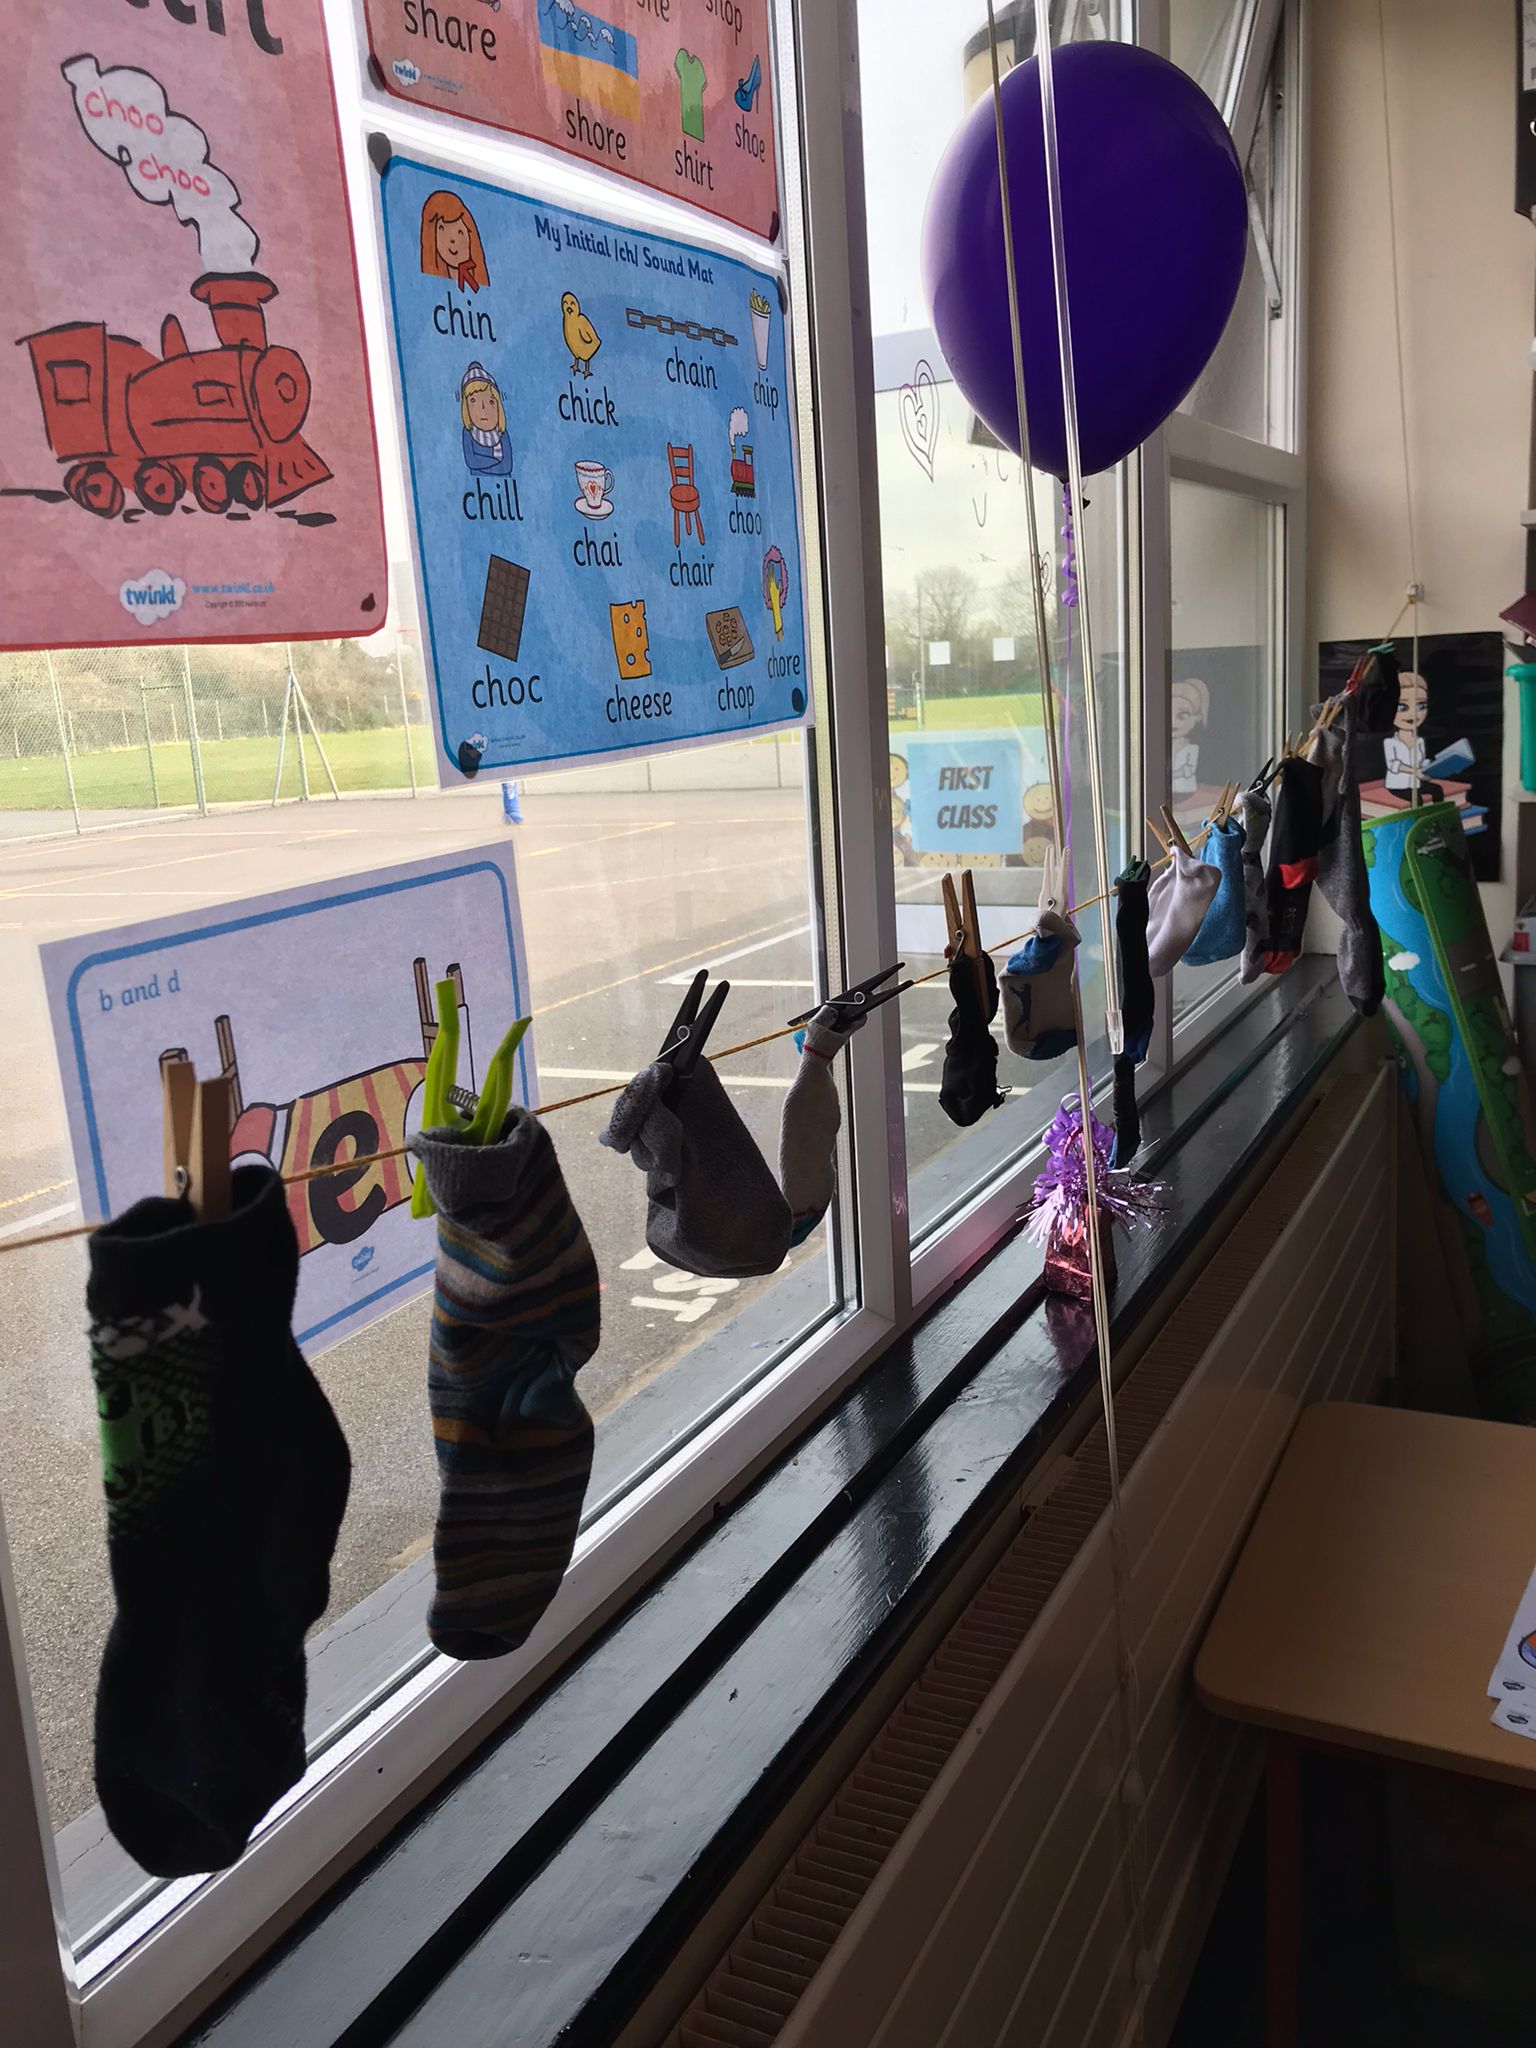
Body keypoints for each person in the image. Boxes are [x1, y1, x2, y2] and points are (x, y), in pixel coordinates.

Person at [1383, 671, 1438, 803]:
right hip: (1398, 785)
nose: (1414, 714)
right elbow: (1393, 765)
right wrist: (1414, 771)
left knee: (1437, 791)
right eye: (1402, 707)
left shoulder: (1419, 741)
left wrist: (1433, 767)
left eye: (1421, 705)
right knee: (1417, 800)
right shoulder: (1390, 742)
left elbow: (1422, 762)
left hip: (1415, 784)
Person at [420, 192, 489, 293]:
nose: (452, 239)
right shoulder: (432, 282)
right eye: (442, 230)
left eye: (460, 232)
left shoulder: (477, 277)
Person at [460, 364, 513, 477]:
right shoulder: (468, 433)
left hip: (505, 482)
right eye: (473, 401)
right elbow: (472, 462)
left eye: (491, 402)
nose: (483, 408)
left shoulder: (502, 433)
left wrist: (483, 465)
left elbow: (507, 466)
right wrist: (497, 461)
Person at [1170, 677, 1209, 799]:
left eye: (1182, 716)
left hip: (1184, 790)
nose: (1173, 722)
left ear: (1197, 718)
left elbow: (1189, 770)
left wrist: (1172, 774)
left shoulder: (1192, 749)